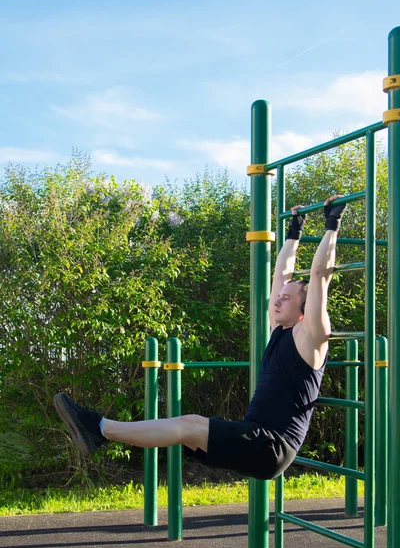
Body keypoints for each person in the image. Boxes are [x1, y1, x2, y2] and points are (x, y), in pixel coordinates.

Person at [54, 195, 347, 480]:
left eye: (286, 298)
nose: (277, 300)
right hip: (255, 434)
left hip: (273, 445)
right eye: (278, 297)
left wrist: (332, 223)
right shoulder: (278, 329)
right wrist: (294, 233)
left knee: (188, 426)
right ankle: (100, 431)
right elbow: (280, 275)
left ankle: (99, 428)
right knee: (185, 429)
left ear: (304, 309)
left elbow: (320, 274)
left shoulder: (311, 336)